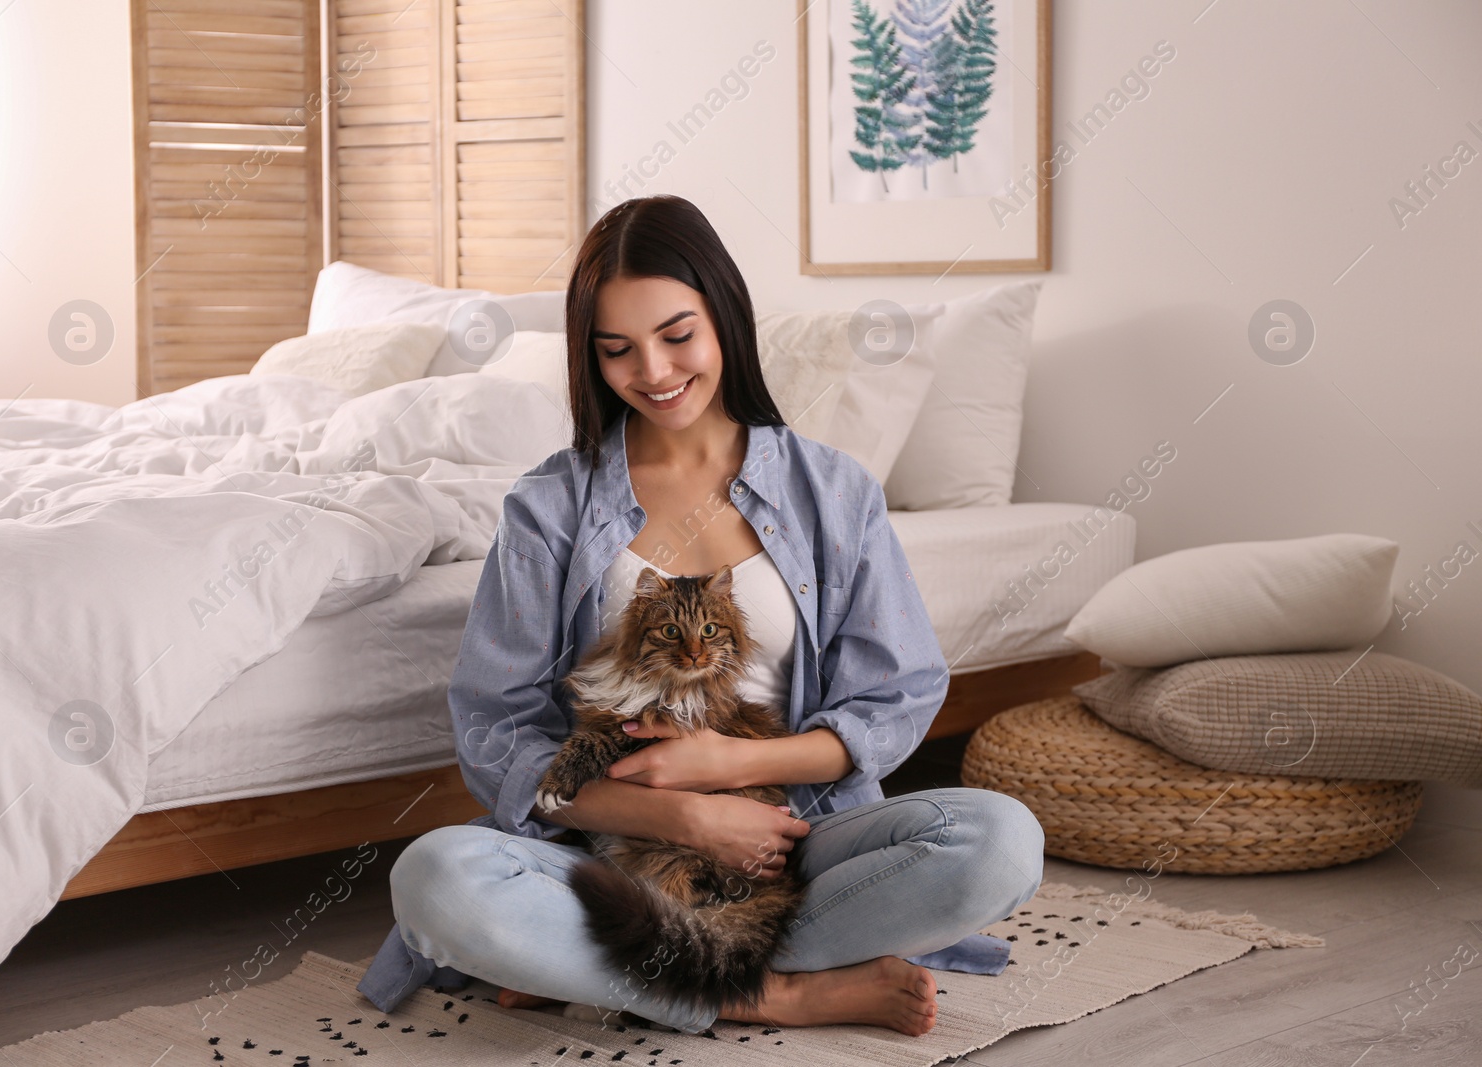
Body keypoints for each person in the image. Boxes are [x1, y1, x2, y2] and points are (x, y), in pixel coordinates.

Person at [363, 194, 1045, 1037]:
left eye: (677, 335)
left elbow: (895, 696)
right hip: (609, 844)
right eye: (617, 349)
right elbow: (497, 733)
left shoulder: (833, 491)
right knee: (436, 876)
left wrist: (724, 768)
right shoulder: (549, 504)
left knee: (1001, 838)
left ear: (725, 317)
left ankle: (602, 966)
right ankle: (770, 992)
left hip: (795, 836)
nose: (652, 371)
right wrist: (677, 813)